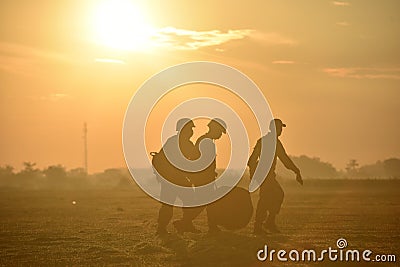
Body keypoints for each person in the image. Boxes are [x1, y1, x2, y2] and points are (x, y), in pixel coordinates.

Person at [248, 118, 303, 236]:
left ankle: (268, 223)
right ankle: (261, 226)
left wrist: (296, 171)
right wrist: (254, 175)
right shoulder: (268, 142)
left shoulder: (271, 142)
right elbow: (252, 160)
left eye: (281, 128)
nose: (281, 131)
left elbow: (284, 159)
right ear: (272, 129)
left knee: (275, 195)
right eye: (279, 128)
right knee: (266, 199)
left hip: (268, 176)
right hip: (265, 176)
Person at [173, 118, 227, 234]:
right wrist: (207, 174)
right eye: (220, 132)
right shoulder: (206, 142)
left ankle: (211, 226)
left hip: (204, 177)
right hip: (203, 178)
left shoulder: (206, 141)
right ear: (214, 129)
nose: (220, 135)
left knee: (210, 203)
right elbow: (201, 161)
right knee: (203, 203)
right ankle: (184, 222)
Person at [153, 118, 199, 236]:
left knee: (189, 201)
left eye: (191, 129)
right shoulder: (173, 142)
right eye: (189, 129)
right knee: (169, 204)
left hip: (178, 179)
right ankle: (162, 228)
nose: (191, 131)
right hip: (170, 179)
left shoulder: (184, 143)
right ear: (182, 130)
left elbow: (193, 159)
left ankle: (186, 224)